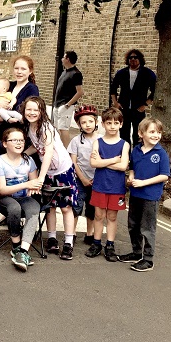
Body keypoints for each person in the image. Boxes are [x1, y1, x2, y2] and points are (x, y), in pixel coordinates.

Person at [22, 96, 78, 260]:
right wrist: (23, 154)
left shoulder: (46, 128)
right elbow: (36, 146)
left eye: (36, 110)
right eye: (29, 109)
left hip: (63, 170)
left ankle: (68, 243)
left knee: (66, 207)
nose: (32, 113)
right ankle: (52, 238)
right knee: (50, 206)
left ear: (42, 112)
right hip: (49, 172)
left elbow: (47, 154)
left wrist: (40, 177)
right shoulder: (29, 127)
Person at [118, 117, 170, 272]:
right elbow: (133, 167)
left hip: (150, 196)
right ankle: (136, 252)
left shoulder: (161, 154)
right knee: (133, 225)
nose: (156, 135)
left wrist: (143, 182)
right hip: (135, 194)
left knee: (147, 228)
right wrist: (132, 176)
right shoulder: (137, 150)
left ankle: (148, 259)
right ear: (141, 133)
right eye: (152, 132)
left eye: (158, 132)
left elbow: (164, 176)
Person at [0, 127, 43, 272]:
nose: (19, 143)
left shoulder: (28, 161)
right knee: (14, 208)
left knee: (34, 209)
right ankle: (15, 245)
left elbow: (34, 183)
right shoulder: (0, 161)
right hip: (5, 198)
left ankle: (23, 251)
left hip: (24, 197)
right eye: (14, 140)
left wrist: (34, 187)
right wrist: (27, 184)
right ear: (4, 144)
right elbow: (2, 189)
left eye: (21, 140)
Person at [86, 107, 130, 262]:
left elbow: (123, 166)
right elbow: (93, 163)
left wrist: (102, 162)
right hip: (100, 185)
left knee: (111, 216)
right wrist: (113, 160)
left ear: (121, 124)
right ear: (103, 124)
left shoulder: (124, 145)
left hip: (116, 187)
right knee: (98, 215)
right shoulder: (97, 142)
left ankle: (110, 245)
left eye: (116, 123)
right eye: (109, 122)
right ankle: (96, 243)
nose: (112, 126)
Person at [0, 56, 40, 157]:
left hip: (17, 137)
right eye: (16, 68)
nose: (19, 72)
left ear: (30, 71)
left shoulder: (32, 89)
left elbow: (27, 113)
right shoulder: (9, 85)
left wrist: (3, 117)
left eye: (23, 69)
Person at [110, 49, 157, 146]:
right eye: (131, 57)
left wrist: (145, 105)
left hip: (138, 109)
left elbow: (155, 91)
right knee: (124, 134)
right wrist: (115, 103)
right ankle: (125, 157)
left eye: (136, 57)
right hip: (124, 109)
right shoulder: (122, 73)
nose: (133, 59)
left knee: (138, 135)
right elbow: (113, 89)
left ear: (140, 59)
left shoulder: (147, 73)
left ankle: (136, 157)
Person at [67, 105, 99, 246]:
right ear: (79, 124)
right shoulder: (75, 141)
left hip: (97, 180)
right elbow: (73, 162)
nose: (87, 125)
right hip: (80, 179)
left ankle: (89, 233)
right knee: (76, 207)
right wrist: (83, 179)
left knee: (92, 208)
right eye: (83, 122)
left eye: (90, 121)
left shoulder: (101, 140)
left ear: (96, 122)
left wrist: (94, 179)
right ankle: (72, 233)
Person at [53, 51, 84, 148]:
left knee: (63, 129)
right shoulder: (64, 72)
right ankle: (59, 149)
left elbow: (80, 92)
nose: (62, 59)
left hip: (66, 105)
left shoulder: (76, 74)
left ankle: (67, 152)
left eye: (63, 57)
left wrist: (67, 105)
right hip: (57, 104)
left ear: (68, 59)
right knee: (56, 129)